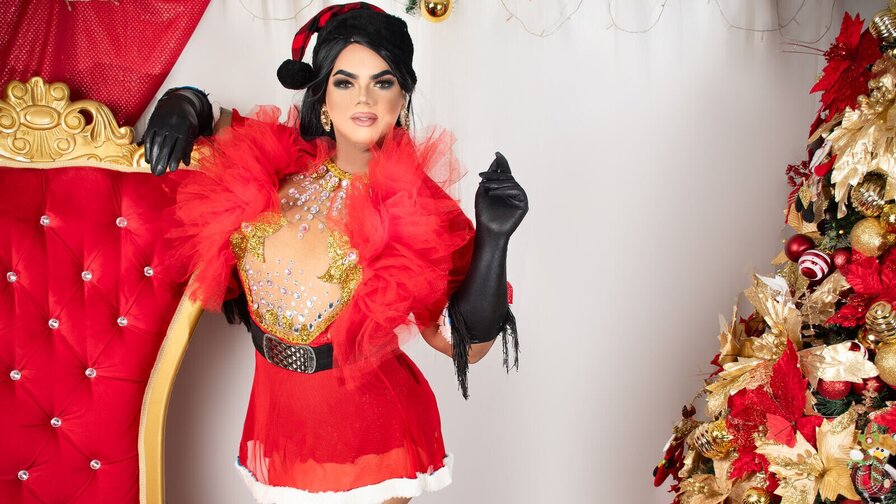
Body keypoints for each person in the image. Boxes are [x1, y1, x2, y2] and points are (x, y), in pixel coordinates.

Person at [144, 3, 527, 503]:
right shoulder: (282, 159)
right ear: (322, 96)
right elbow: (211, 118)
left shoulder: (417, 205)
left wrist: (494, 241)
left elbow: (465, 345)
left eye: (382, 82)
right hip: (277, 430)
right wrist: (183, 102)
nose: (363, 98)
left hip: (372, 442)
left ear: (402, 97)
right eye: (345, 82)